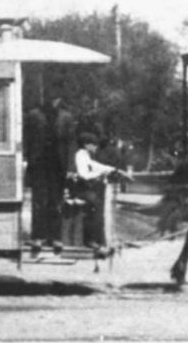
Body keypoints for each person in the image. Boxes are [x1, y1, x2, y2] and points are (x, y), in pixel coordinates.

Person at [24, 97, 72, 253]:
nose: (53, 101)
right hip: (39, 163)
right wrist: (26, 158)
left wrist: (70, 166)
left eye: (56, 98)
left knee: (56, 202)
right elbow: (27, 139)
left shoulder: (66, 117)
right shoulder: (33, 115)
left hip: (58, 165)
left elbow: (71, 143)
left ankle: (56, 238)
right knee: (39, 201)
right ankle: (37, 237)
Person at [69, 131, 130, 255]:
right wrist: (101, 174)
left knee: (99, 203)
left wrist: (114, 170)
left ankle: (98, 239)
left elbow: (96, 165)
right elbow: (84, 175)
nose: (96, 147)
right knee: (96, 205)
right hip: (79, 189)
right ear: (87, 145)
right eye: (94, 145)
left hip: (84, 188)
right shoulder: (80, 155)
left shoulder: (86, 155)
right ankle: (90, 240)